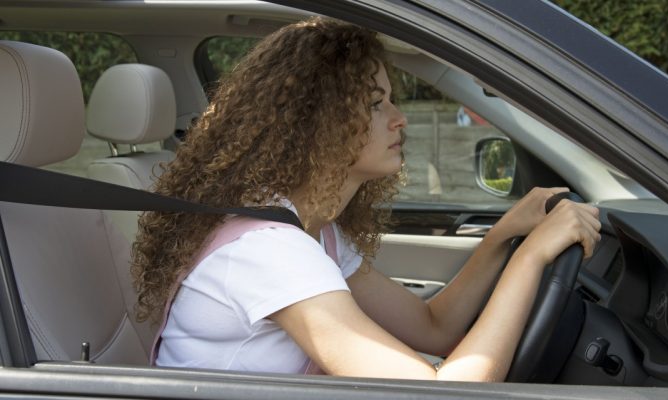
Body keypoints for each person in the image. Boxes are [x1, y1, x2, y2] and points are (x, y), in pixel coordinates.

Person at [131, 17, 601, 382]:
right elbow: (439, 396)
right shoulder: (269, 251)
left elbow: (434, 327)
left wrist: (505, 235)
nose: (400, 119)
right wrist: (533, 257)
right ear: (319, 123)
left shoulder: (316, 232)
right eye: (377, 104)